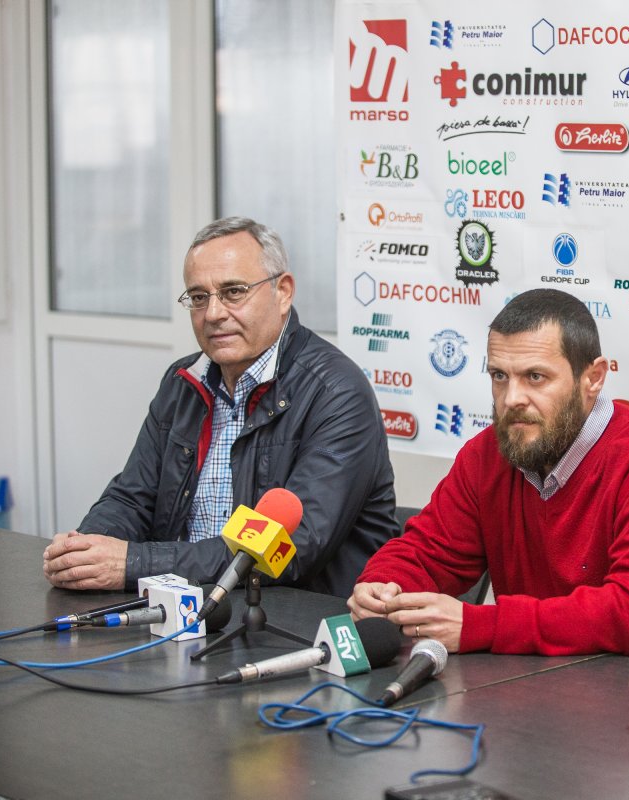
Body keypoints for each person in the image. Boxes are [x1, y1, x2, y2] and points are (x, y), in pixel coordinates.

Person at [348, 288, 629, 655]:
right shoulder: (488, 454)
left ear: (593, 378)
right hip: (534, 689)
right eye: (499, 376)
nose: (511, 398)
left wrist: (482, 625)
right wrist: (382, 586)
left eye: (535, 377)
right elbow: (427, 551)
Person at [42, 216, 397, 595]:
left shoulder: (337, 392)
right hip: (189, 607)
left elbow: (289, 549)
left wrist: (131, 564)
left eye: (233, 292)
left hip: (295, 622)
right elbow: (133, 496)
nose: (213, 314)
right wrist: (87, 551)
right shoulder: (183, 381)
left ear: (283, 292)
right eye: (198, 297)